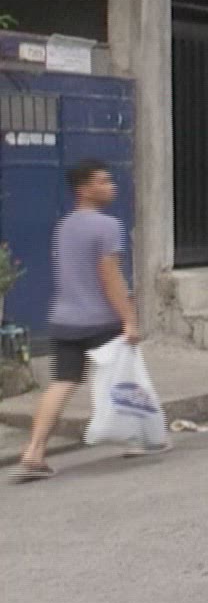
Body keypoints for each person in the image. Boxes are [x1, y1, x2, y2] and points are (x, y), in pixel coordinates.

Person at [13, 160, 160, 483]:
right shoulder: (107, 226)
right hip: (101, 320)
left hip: (65, 319)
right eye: (102, 182)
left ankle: (34, 452)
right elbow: (110, 277)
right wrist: (129, 319)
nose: (111, 186)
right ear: (84, 190)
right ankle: (138, 437)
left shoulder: (64, 226)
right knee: (125, 377)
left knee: (62, 382)